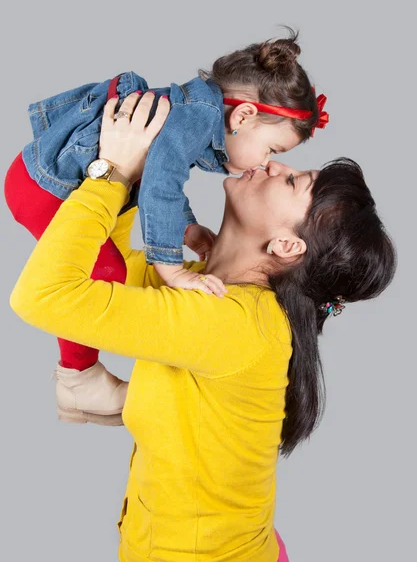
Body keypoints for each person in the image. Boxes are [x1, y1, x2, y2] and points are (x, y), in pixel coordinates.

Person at [10, 91, 396, 562]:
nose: (275, 166)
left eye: (293, 181)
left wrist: (110, 173)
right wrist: (139, 168)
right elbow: (96, 265)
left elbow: (43, 296)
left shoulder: (234, 323)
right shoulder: (202, 288)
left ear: (287, 246)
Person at [4, 29, 328, 423]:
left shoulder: (193, 113)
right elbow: (160, 185)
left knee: (109, 268)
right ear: (243, 116)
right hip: (45, 188)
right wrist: (170, 267)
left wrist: (187, 229)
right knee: (106, 272)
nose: (266, 164)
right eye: (272, 149)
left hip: (39, 178)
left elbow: (163, 181)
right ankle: (78, 378)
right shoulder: (196, 118)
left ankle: (79, 379)